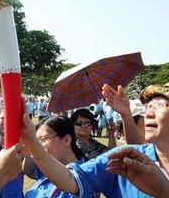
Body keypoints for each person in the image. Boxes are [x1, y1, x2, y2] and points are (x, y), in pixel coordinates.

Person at [20, 81, 169, 198]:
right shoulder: (123, 160)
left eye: (160, 106)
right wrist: (32, 143)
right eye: (148, 106)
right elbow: (70, 180)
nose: (149, 113)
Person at [23, 115, 94, 197]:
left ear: (67, 140)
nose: (39, 147)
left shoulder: (82, 180)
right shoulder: (49, 167)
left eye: (44, 139)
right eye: (37, 141)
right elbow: (29, 171)